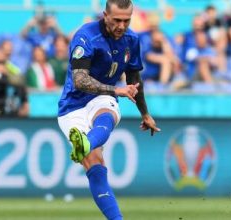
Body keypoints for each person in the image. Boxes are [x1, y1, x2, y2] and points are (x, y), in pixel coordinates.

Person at [57, 1, 160, 219]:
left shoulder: (132, 40)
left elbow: (134, 79)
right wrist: (117, 89)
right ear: (105, 15)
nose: (122, 25)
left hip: (103, 97)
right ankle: (86, 143)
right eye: (117, 20)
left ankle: (85, 142)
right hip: (72, 106)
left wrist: (145, 113)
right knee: (95, 164)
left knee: (107, 112)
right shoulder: (85, 36)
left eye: (127, 20)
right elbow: (80, 80)